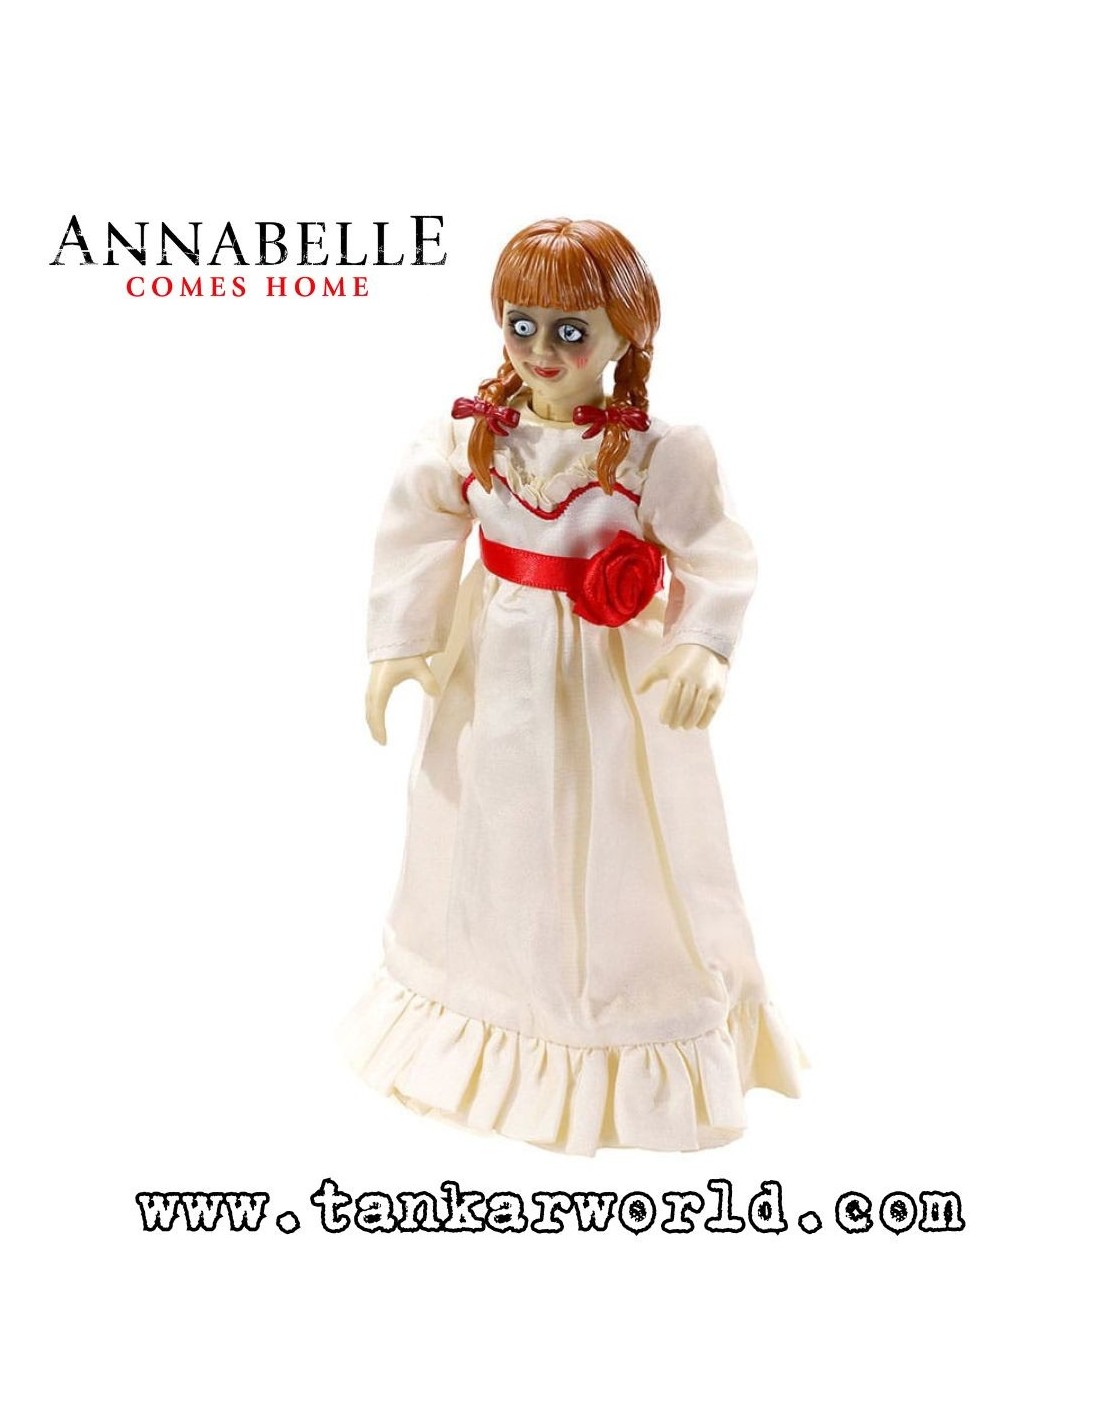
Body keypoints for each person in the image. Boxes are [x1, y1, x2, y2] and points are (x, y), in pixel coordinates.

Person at [344, 217, 805, 1154]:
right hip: (493, 670)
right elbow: (420, 522)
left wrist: (703, 644)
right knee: (492, 830)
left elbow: (714, 552)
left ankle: (616, 1015)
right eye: (521, 325)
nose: (541, 350)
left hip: (606, 681)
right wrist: (401, 640)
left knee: (620, 834)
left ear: (625, 333)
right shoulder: (474, 435)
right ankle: (489, 995)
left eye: (569, 331)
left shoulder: (652, 452)